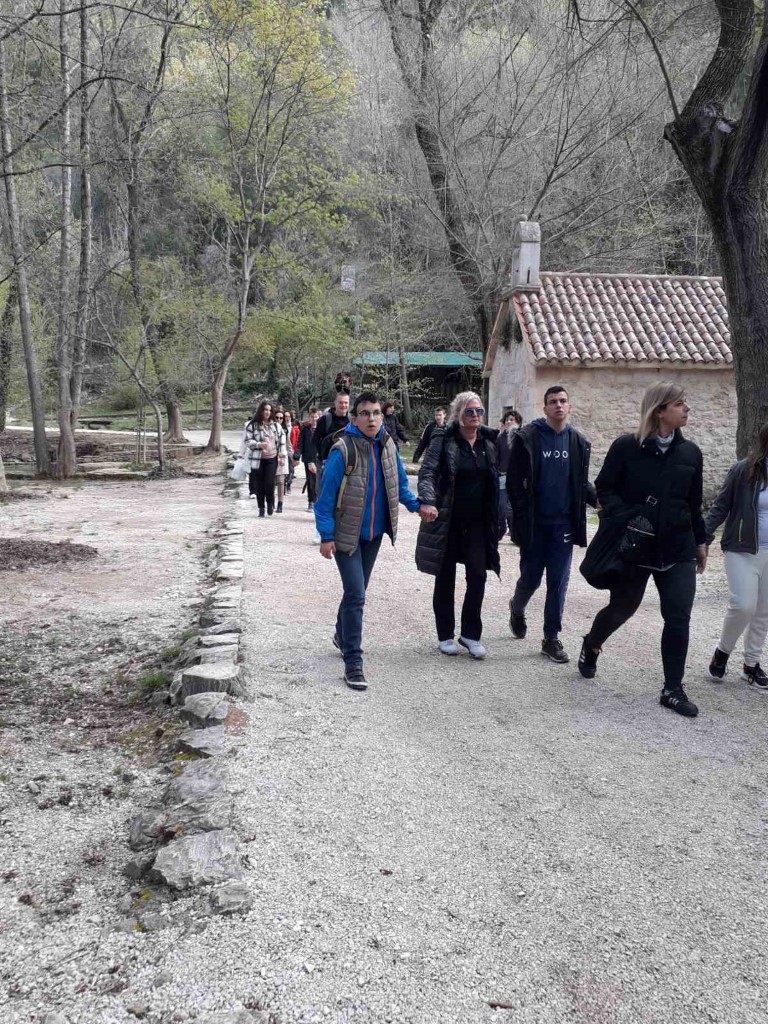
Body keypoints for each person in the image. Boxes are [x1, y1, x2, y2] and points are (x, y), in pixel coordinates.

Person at [578, 383, 707, 718]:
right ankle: (592, 643)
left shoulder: (691, 453)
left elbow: (694, 503)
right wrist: (628, 518)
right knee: (622, 608)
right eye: (679, 404)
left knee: (678, 616)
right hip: (636, 548)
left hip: (678, 548)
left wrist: (701, 541)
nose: (686, 409)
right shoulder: (627, 447)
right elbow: (604, 488)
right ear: (660, 410)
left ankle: (672, 689)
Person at [314, 391, 434, 690]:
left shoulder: (388, 446)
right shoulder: (343, 451)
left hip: (375, 534)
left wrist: (418, 506)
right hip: (346, 535)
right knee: (356, 594)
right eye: (365, 413)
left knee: (356, 591)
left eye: (376, 413)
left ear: (382, 416)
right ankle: (353, 662)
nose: (371, 418)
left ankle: (342, 633)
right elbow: (324, 500)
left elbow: (399, 487)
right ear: (354, 418)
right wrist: (326, 536)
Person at [507, 386, 595, 663]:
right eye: (553, 401)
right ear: (544, 407)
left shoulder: (577, 442)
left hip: (563, 525)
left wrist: (599, 500)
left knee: (558, 581)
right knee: (531, 579)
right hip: (535, 524)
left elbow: (580, 483)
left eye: (563, 401)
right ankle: (517, 608)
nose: (558, 405)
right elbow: (513, 484)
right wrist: (519, 518)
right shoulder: (528, 438)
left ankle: (551, 638)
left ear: (569, 407)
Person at [415, 391, 500, 659]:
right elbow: (428, 472)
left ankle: (471, 634)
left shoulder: (488, 442)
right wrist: (428, 501)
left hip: (477, 522)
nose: (475, 415)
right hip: (447, 519)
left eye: (479, 411)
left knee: (478, 575)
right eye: (469, 411)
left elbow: (497, 479)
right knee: (445, 577)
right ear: (458, 414)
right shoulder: (444, 438)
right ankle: (445, 634)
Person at [705, 423, 768, 691]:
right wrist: (702, 539)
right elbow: (721, 506)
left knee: (763, 611)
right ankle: (722, 651)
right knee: (743, 605)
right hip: (742, 549)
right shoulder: (744, 469)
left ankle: (751, 665)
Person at [239, 400, 287, 517]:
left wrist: (282, 456)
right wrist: (258, 444)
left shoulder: (276, 426)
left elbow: (282, 442)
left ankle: (270, 503)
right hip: (257, 459)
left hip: (272, 458)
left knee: (269, 483)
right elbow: (247, 441)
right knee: (259, 484)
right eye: (265, 410)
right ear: (261, 410)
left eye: (269, 410)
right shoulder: (252, 425)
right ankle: (261, 507)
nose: (267, 412)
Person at [496, 409, 522, 539]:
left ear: (517, 421)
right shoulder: (500, 438)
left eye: (511, 419)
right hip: (502, 475)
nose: (508, 422)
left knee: (513, 506)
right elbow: (496, 457)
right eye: (506, 420)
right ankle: (502, 528)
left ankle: (514, 532)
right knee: (501, 506)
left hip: (517, 478)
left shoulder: (521, 437)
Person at [314, 391, 351, 473]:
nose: (343, 405)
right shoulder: (325, 419)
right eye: (340, 402)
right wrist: (313, 461)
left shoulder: (352, 421)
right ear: (335, 403)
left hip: (345, 463)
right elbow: (315, 440)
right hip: (326, 462)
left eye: (346, 403)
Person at [294, 409, 319, 510]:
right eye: (312, 417)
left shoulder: (321, 429)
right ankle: (311, 501)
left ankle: (317, 500)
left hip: (319, 459)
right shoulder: (305, 429)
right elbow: (300, 443)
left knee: (319, 480)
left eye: (315, 417)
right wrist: (296, 456)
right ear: (309, 418)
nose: (314, 419)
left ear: (318, 417)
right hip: (308, 458)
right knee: (311, 480)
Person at [272, 408, 291, 512]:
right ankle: (271, 501)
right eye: (277, 417)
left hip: (282, 457)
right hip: (271, 457)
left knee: (281, 481)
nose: (279, 419)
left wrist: (294, 456)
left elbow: (288, 444)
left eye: (281, 418)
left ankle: (280, 504)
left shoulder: (285, 430)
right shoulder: (270, 428)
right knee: (270, 481)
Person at [283, 411, 296, 494]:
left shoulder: (294, 428)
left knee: (291, 469)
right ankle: (284, 485)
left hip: (291, 451)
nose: (287, 418)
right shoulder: (281, 427)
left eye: (288, 416)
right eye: (285, 416)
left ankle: (288, 484)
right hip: (283, 451)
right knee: (284, 470)